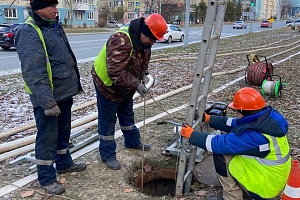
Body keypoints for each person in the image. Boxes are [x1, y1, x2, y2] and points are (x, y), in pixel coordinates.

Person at [15, 0, 87, 195]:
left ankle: (64, 163)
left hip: (63, 93)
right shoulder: (29, 31)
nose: (56, 10)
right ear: (39, 9)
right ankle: (46, 178)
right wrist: (47, 102)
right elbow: (34, 72)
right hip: (48, 98)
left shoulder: (54, 26)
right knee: (47, 138)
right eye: (52, 6)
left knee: (63, 133)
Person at [180, 87, 291, 200]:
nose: (235, 113)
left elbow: (218, 143)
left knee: (221, 154)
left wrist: (192, 135)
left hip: (264, 187)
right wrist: (210, 119)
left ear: (244, 111)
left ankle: (232, 197)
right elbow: (234, 123)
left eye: (236, 111)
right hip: (272, 176)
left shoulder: (254, 136)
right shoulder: (265, 119)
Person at [91, 13, 167, 170]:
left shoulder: (145, 43)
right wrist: (136, 84)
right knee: (108, 120)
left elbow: (141, 61)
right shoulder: (121, 40)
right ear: (144, 32)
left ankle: (132, 142)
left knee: (127, 113)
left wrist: (143, 74)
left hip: (125, 85)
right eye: (152, 38)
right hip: (108, 85)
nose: (153, 42)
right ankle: (107, 155)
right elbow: (115, 72)